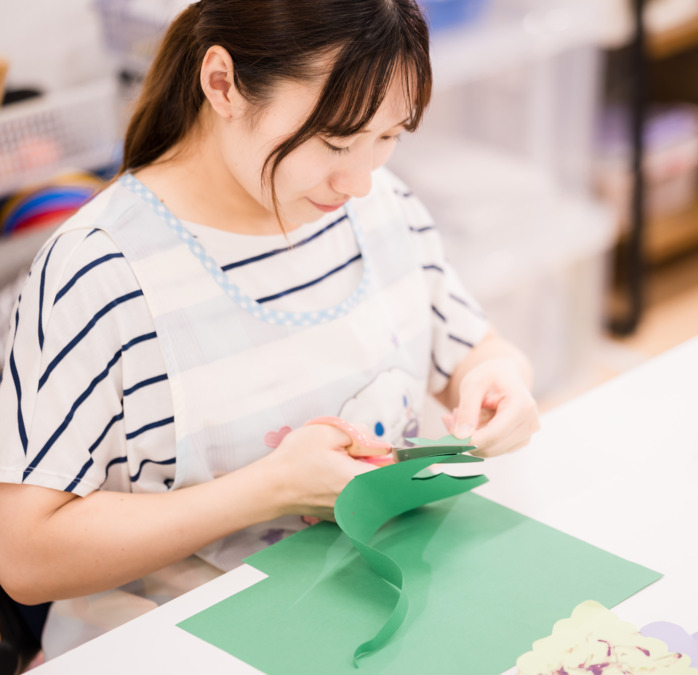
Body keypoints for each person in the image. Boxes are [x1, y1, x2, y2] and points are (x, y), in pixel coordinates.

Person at [0, 0, 540, 660]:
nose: (359, 178)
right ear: (222, 84)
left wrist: (497, 378)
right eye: (335, 141)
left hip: (367, 616)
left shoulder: (382, 206)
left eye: (390, 136)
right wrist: (269, 489)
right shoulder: (101, 270)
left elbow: (474, 350)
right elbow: (24, 554)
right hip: (178, 646)